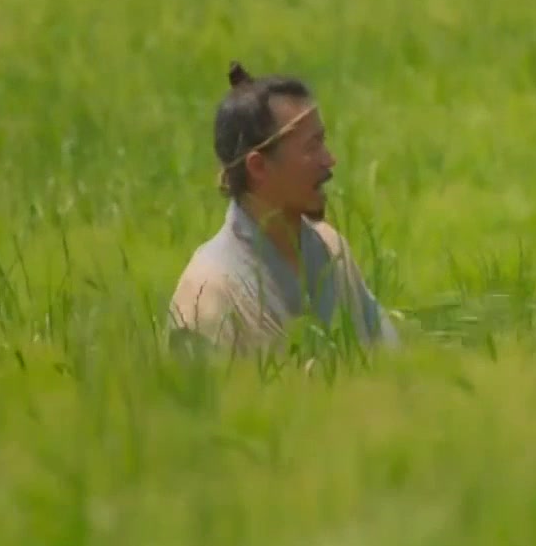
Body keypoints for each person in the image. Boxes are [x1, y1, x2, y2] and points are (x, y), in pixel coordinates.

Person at [168, 61, 400, 354]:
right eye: (312, 147)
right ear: (258, 167)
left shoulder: (331, 251)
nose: (329, 160)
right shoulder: (206, 293)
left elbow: (392, 362)